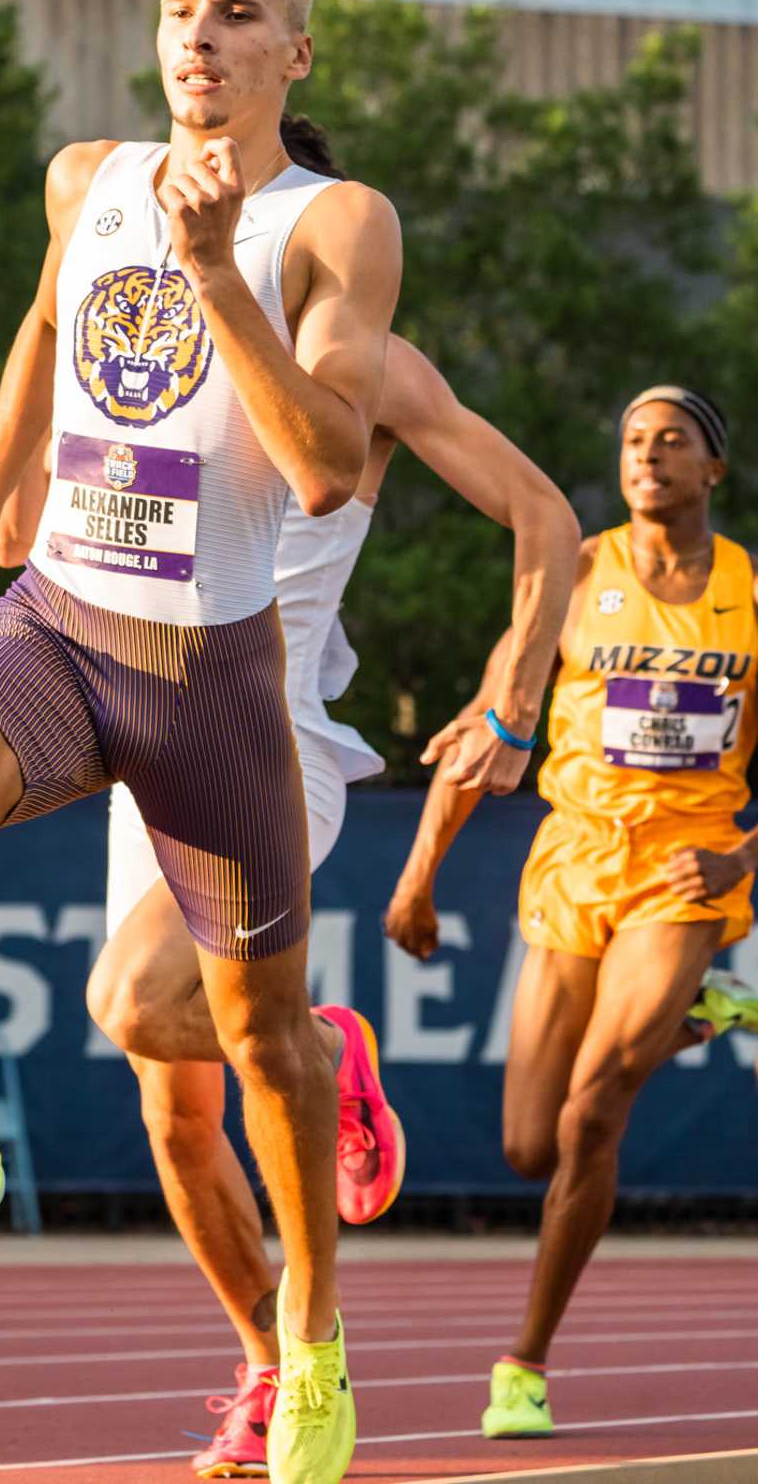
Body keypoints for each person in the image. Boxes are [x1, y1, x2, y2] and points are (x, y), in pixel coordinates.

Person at [0, 0, 403, 1484]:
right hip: (63, 621)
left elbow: (326, 465)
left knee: (259, 1045)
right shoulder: (86, 179)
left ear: (296, 53)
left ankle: (315, 1341)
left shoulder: (328, 223)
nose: (198, 38)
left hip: (213, 678)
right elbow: (41, 324)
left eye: (236, 15)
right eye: (176, 13)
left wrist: (214, 270)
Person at [0, 217, 580, 1478]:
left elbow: (543, 516)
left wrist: (510, 701)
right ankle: (271, 1367)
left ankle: (316, 1045)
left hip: (271, 732)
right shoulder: (145, 334)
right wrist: (12, 494)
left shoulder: (368, 373)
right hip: (133, 733)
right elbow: (70, 415)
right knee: (171, 1107)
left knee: (137, 1002)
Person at [386, 386, 758, 1441]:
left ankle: (523, 1362)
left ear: (710, 470)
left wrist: (739, 852)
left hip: (683, 871)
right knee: (527, 1147)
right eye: (632, 439)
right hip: (572, 859)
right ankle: (699, 1016)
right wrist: (415, 877)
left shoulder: (747, 590)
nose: (646, 456)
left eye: (671, 440)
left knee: (595, 1107)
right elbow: (489, 722)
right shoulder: (577, 571)